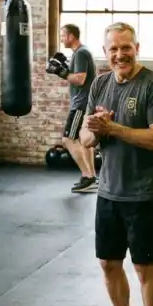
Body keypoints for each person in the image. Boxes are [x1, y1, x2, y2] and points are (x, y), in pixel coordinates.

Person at [81, 22, 153, 306]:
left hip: (144, 194)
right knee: (108, 264)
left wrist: (114, 128)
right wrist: (97, 129)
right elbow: (87, 140)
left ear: (137, 47)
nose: (120, 54)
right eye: (113, 49)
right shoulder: (100, 84)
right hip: (109, 192)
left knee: (144, 267)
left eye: (126, 47)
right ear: (105, 53)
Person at [51, 24, 97, 193]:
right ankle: (91, 176)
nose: (62, 39)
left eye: (63, 35)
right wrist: (65, 69)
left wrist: (61, 73)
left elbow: (80, 79)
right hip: (85, 102)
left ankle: (87, 176)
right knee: (84, 139)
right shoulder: (80, 53)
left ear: (71, 36)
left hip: (81, 103)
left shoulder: (81, 53)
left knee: (68, 139)